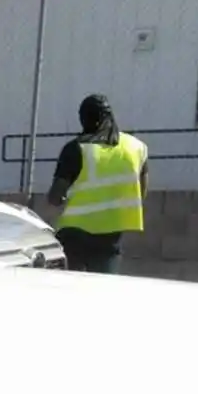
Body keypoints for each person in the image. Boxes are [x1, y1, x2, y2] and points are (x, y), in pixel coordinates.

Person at [45, 94, 149, 273]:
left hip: (74, 233)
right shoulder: (136, 147)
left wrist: (62, 198)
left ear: (83, 118)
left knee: (69, 288)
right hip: (111, 234)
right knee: (103, 289)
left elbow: (55, 197)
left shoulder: (76, 149)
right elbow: (141, 193)